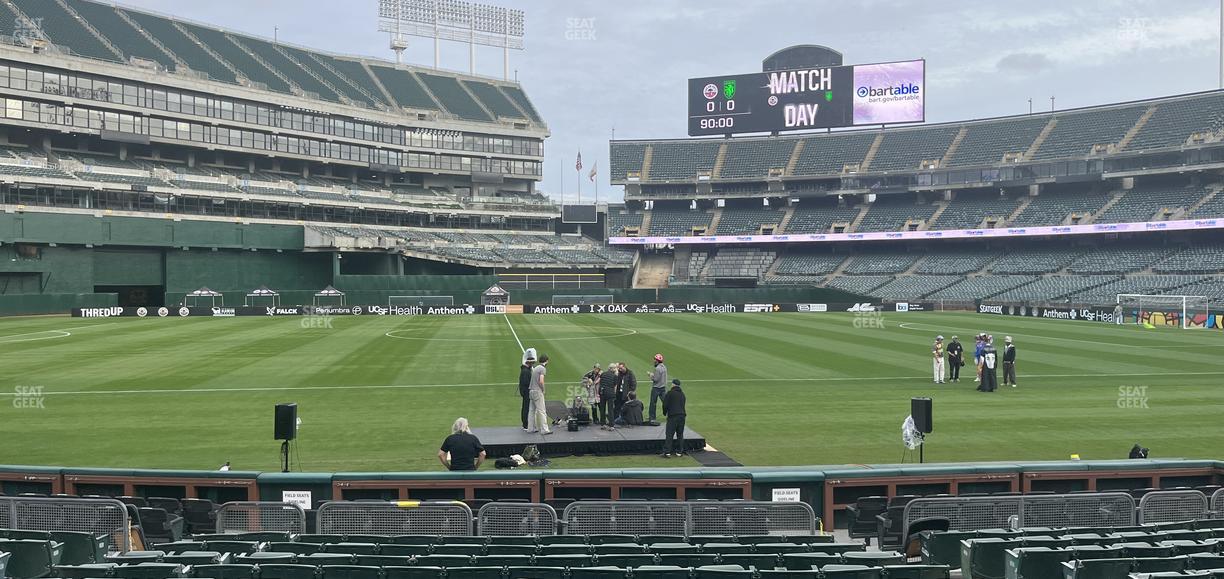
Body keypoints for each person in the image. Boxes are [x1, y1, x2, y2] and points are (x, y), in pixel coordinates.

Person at [661, 378, 687, 458]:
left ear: (673, 384)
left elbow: (665, 404)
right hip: (682, 416)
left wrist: (665, 412)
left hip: (673, 416)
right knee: (680, 434)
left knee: (669, 434)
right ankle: (679, 452)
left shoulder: (670, 393)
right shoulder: (682, 394)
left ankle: (667, 452)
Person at [528, 354, 552, 434]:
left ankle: (531, 428)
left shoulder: (536, 368)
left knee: (532, 411)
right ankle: (544, 430)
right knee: (542, 411)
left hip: (531, 391)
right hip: (537, 392)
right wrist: (543, 390)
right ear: (546, 361)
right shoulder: (542, 369)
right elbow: (541, 381)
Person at [519, 349, 536, 431]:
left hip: (525, 391)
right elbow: (526, 383)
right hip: (526, 392)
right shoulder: (526, 371)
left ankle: (526, 423)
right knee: (526, 408)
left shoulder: (525, 370)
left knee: (526, 407)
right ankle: (526, 424)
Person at [598, 362, 619, 429]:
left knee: (602, 409)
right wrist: (614, 394)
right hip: (610, 393)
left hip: (602, 392)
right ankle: (611, 425)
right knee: (610, 409)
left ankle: (602, 424)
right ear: (612, 369)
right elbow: (615, 386)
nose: (616, 369)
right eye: (615, 368)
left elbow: (600, 382)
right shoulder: (615, 376)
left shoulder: (603, 374)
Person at [648, 353, 668, 423]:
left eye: (654, 360)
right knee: (666, 402)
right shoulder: (664, 367)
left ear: (657, 361)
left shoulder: (657, 368)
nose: (654, 361)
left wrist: (650, 375)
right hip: (663, 387)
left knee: (653, 403)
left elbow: (655, 379)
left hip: (656, 388)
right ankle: (670, 415)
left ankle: (652, 417)